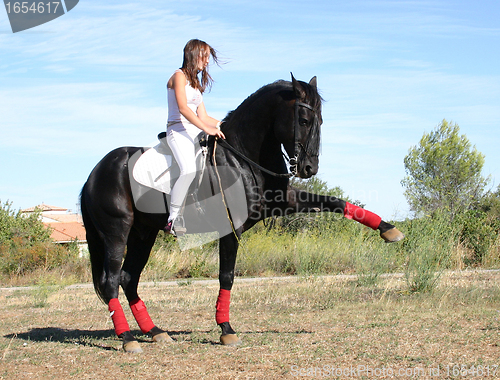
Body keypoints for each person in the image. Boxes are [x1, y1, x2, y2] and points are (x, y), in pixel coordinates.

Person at [165, 39, 225, 235]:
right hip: (178, 130)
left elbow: (205, 117)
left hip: (194, 130)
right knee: (189, 170)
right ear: (194, 54)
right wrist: (208, 129)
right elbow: (183, 109)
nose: (207, 62)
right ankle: (173, 219)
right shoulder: (178, 76)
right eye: (205, 56)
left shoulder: (195, 84)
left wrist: (224, 126)